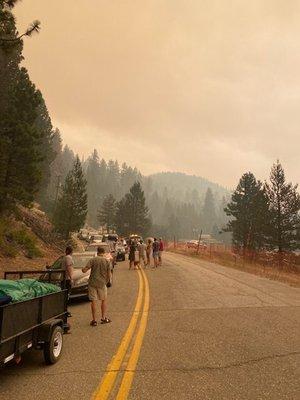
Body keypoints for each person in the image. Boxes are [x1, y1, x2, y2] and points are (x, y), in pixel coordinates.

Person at [82, 246, 112, 326]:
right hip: (102, 283)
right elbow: (109, 273)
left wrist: (82, 269)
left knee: (93, 301)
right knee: (103, 300)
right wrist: (107, 281)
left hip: (92, 283)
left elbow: (85, 270)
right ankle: (103, 317)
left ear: (97, 252)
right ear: (104, 252)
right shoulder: (107, 261)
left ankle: (94, 320)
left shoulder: (93, 260)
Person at [63, 245, 74, 317]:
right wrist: (71, 278)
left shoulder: (65, 258)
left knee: (65, 295)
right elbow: (69, 268)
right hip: (67, 279)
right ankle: (65, 311)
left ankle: (65, 310)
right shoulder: (68, 258)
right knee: (67, 295)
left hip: (64, 278)